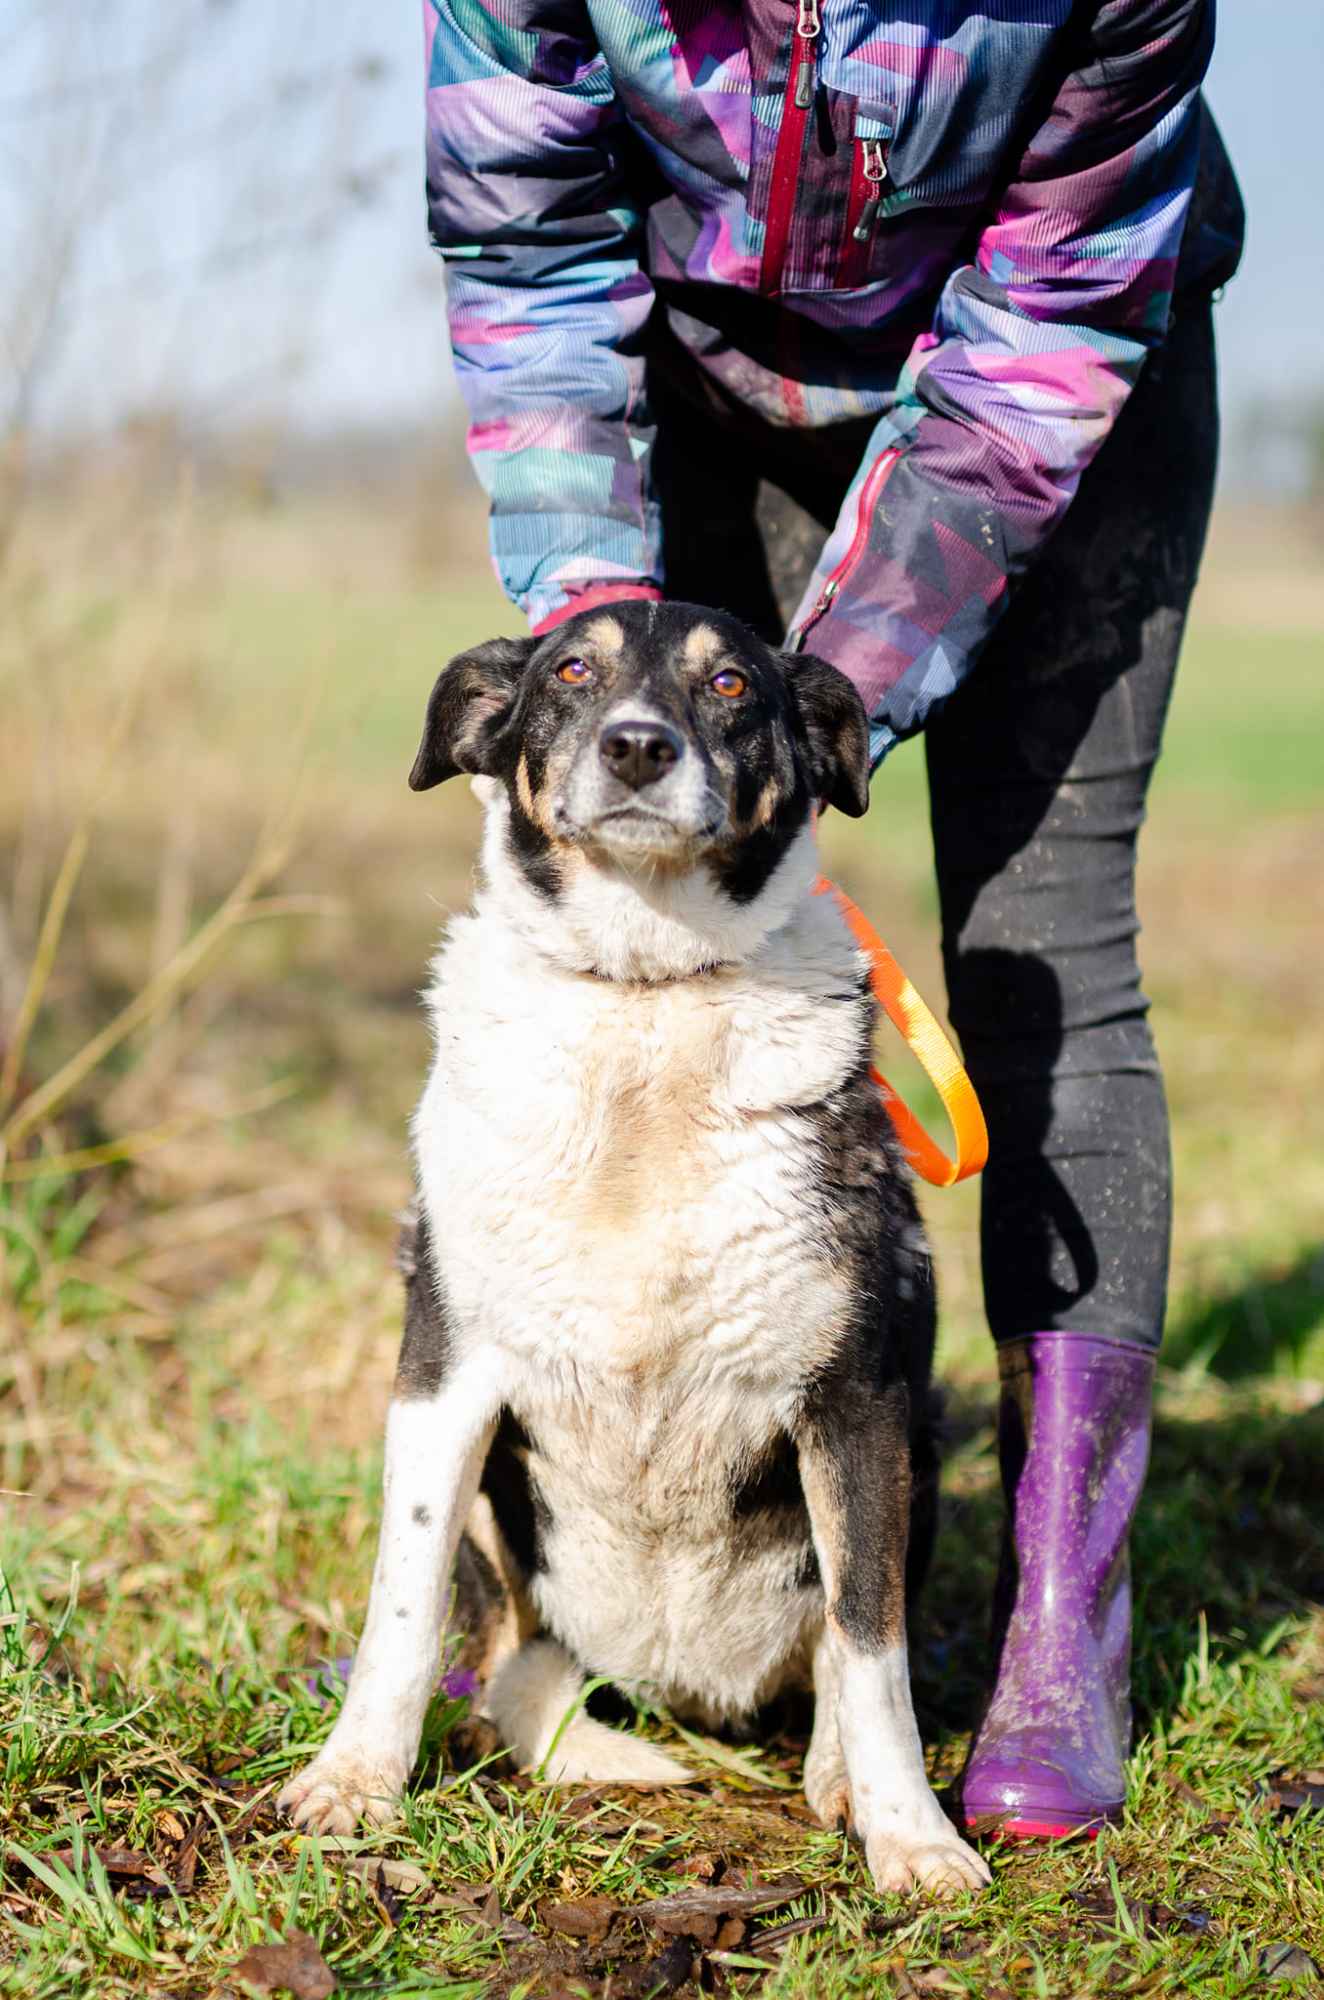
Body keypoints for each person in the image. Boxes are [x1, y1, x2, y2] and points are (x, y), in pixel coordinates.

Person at [421, 1, 1244, 1840]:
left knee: (1050, 958)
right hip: (702, 381)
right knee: (638, 961)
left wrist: (815, 721)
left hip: (1053, 378)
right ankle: (510, 1593)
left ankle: (1057, 1639)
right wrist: (615, 680)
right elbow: (529, 250)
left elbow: (1040, 333)